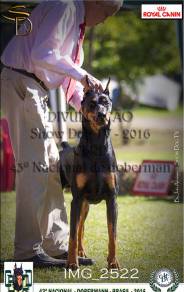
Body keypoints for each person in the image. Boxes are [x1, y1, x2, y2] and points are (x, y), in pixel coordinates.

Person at [1, 0, 123, 267]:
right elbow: (42, 55)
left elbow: (69, 83)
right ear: (96, 4)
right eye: (106, 14)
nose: (104, 21)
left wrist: (91, 101)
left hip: (37, 90)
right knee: (35, 168)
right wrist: (82, 74)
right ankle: (27, 252)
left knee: (53, 166)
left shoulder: (76, 26)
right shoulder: (65, 7)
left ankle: (56, 245)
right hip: (24, 83)